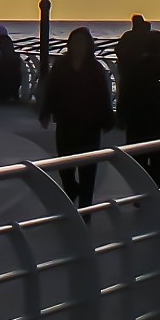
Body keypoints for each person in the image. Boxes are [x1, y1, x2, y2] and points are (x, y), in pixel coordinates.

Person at [41, 27, 115, 207]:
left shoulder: (95, 68)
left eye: (82, 42)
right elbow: (52, 90)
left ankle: (85, 210)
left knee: (88, 171)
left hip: (90, 125)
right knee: (65, 168)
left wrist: (107, 119)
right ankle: (73, 189)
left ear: (89, 45)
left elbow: (104, 95)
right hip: (66, 123)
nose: (78, 46)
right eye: (75, 42)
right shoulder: (61, 65)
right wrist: (45, 112)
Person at [115, 24, 160, 182]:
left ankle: (141, 192)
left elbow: (125, 93)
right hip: (159, 122)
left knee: (138, 160)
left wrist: (121, 117)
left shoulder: (133, 69)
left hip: (136, 122)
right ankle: (156, 192)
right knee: (158, 161)